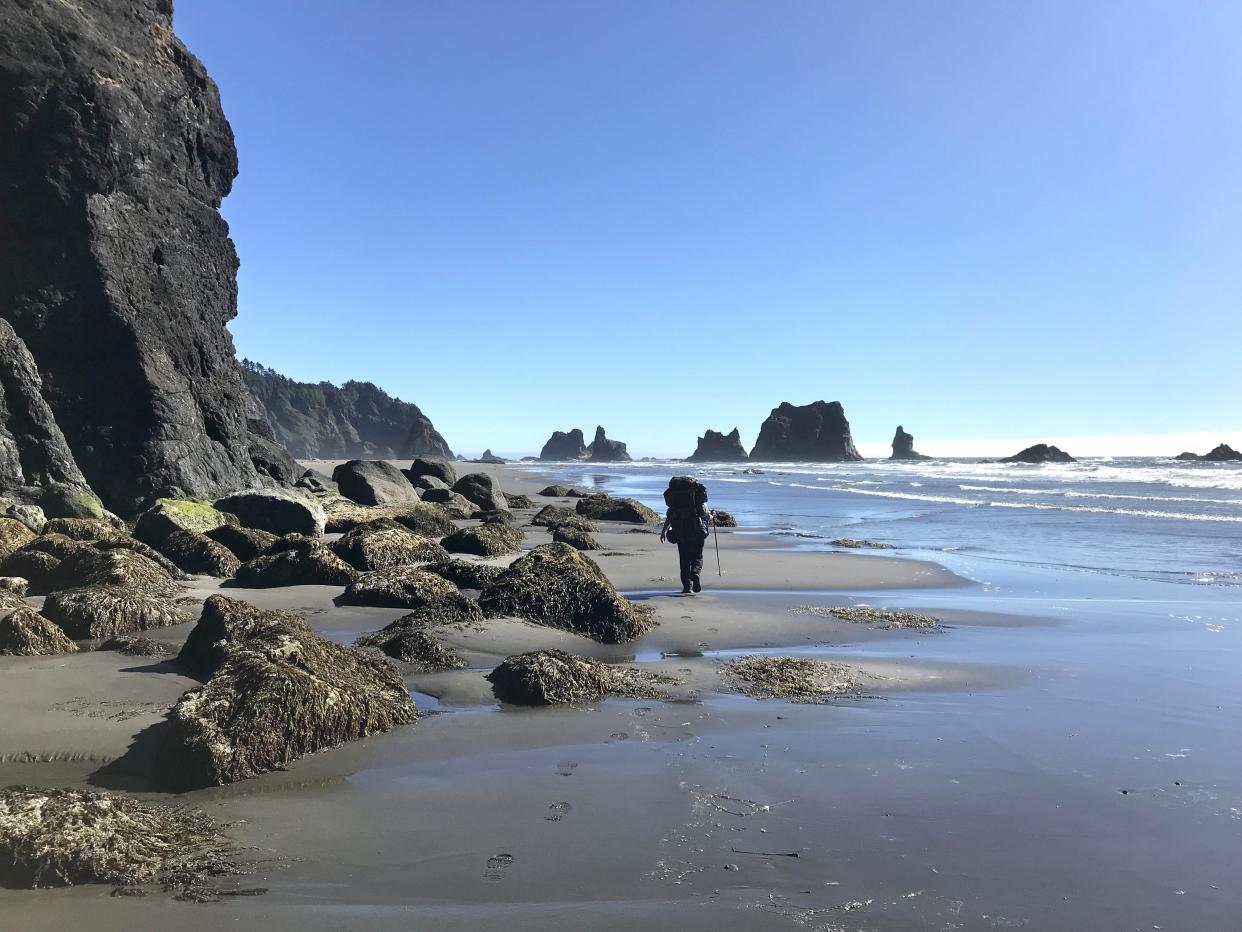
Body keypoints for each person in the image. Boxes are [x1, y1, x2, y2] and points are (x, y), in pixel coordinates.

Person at [660, 494, 712, 594]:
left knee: (684, 560)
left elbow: (669, 517)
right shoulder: (699, 501)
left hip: (681, 533)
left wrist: (663, 532)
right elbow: (706, 515)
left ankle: (687, 587)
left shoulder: (675, 503)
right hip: (697, 532)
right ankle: (695, 573)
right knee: (697, 557)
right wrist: (711, 516)